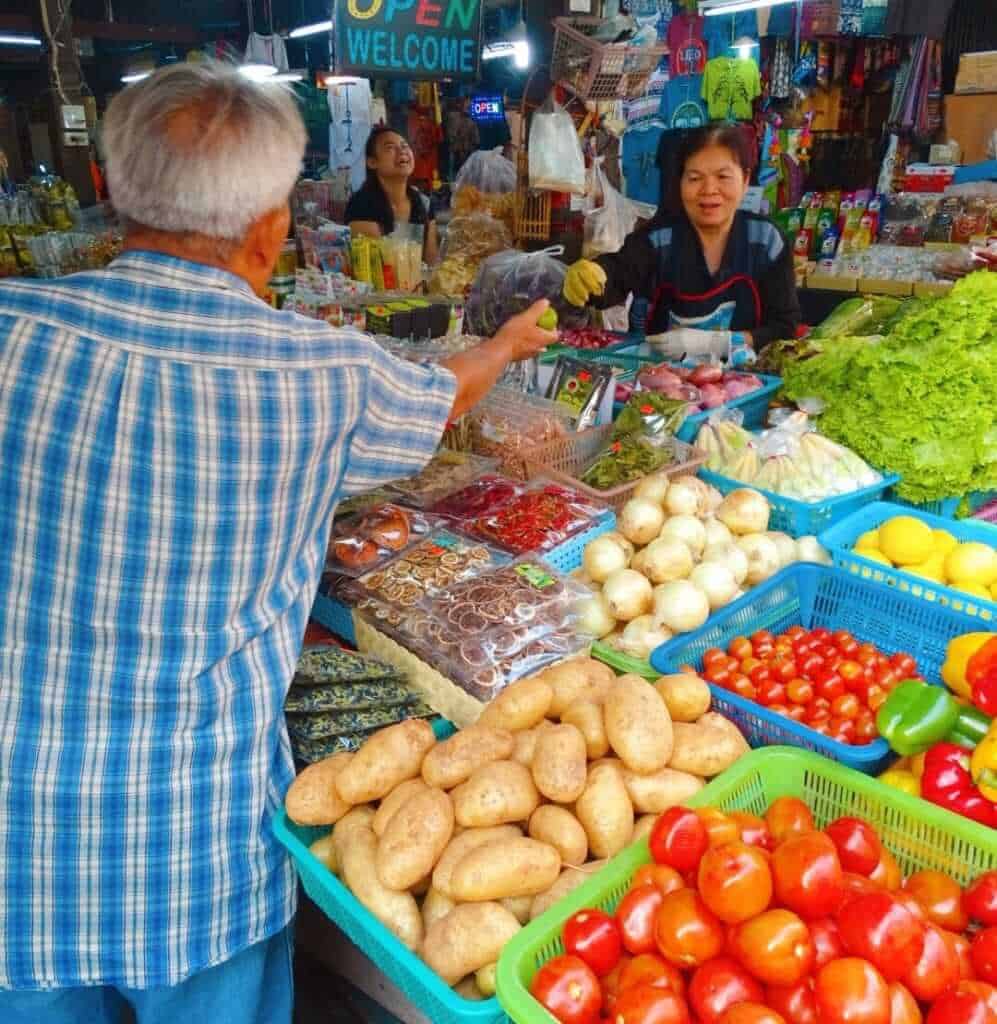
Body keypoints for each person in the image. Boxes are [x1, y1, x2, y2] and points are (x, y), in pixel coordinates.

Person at [0, 63, 553, 1024]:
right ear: (270, 226)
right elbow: (447, 395)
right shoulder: (323, 372)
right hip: (196, 853)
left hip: (23, 847)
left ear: (113, 194)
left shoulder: (12, 328)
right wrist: (505, 346)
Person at [563, 124, 800, 363]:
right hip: (662, 379)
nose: (709, 190)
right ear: (680, 182)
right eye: (695, 178)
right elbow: (618, 273)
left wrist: (717, 343)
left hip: (749, 378)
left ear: (745, 180)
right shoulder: (659, 239)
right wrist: (591, 276)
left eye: (723, 177)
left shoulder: (766, 241)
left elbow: (783, 328)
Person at [345, 126, 439, 264]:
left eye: (405, 146)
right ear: (372, 162)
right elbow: (375, 266)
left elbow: (432, 262)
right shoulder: (361, 205)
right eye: (390, 148)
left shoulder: (424, 203)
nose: (402, 151)